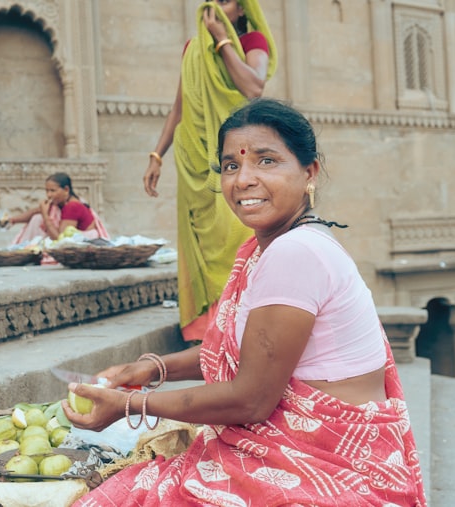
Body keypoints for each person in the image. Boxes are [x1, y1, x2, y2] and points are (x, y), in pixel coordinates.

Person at [64, 99, 427, 506]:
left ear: (309, 172)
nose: (243, 180)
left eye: (266, 161)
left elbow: (252, 399)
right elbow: (248, 350)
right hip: (319, 454)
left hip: (329, 469)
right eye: (231, 166)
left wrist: (129, 404)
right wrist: (150, 367)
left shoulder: (296, 253)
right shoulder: (273, 248)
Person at [142, 0, 277, 342]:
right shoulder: (193, 48)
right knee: (199, 244)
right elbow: (179, 108)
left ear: (243, 9)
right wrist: (157, 155)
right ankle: (205, 333)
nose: (216, 6)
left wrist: (222, 39)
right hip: (193, 162)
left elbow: (253, 87)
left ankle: (241, 325)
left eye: (226, 1)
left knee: (236, 235)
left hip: (232, 157)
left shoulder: (252, 42)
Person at [0, 173, 109, 262]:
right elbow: (34, 212)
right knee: (36, 217)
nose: (49, 195)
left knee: (39, 219)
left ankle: (27, 254)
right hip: (69, 242)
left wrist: (46, 216)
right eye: (47, 191)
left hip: (84, 246)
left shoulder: (72, 206)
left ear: (66, 190)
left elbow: (60, 240)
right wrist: (12, 220)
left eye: (53, 191)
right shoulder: (60, 203)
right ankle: (25, 252)